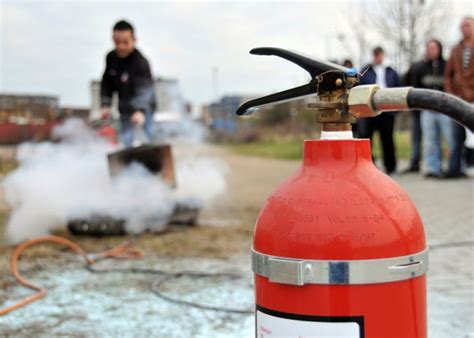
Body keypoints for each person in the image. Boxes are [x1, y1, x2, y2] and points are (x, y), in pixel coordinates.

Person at [100, 20, 156, 147]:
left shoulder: (141, 62)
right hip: (125, 109)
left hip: (144, 110)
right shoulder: (111, 58)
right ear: (113, 39)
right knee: (127, 141)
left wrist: (140, 110)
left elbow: (144, 89)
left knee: (146, 142)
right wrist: (105, 104)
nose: (121, 46)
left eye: (125, 42)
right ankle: (129, 166)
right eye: (117, 42)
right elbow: (107, 82)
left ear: (134, 39)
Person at [357, 47, 400, 175]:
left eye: (379, 55)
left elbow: (397, 88)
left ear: (383, 55)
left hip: (387, 109)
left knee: (387, 139)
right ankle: (367, 165)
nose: (378, 57)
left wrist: (396, 108)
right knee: (366, 138)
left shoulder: (391, 71)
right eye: (375, 55)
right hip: (369, 109)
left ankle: (390, 166)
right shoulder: (366, 71)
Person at [416, 39, 454, 179]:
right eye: (429, 48)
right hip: (427, 110)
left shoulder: (447, 66)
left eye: (434, 48)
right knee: (430, 141)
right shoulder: (420, 68)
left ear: (439, 49)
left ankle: (453, 167)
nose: (431, 50)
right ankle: (433, 168)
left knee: (450, 139)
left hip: (445, 110)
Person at [445, 17, 474, 178]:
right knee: (456, 136)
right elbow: (448, 75)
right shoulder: (456, 49)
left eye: (468, 25)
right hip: (459, 98)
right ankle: (455, 168)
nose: (464, 29)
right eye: (462, 26)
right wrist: (450, 92)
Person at [401, 59, 424, 173]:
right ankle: (415, 162)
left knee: (418, 138)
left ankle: (416, 162)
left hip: (419, 108)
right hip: (416, 109)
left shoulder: (419, 68)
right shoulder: (414, 70)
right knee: (416, 138)